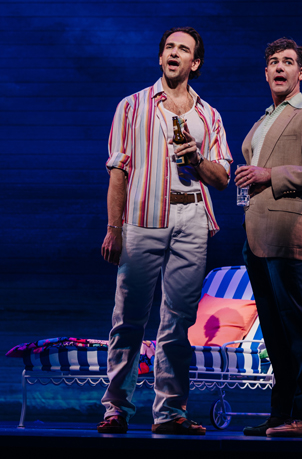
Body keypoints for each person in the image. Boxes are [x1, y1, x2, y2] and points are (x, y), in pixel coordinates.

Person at [98, 27, 232, 435]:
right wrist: (114, 228)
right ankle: (116, 407)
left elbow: (222, 177)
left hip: (192, 220)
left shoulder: (209, 116)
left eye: (183, 49)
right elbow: (118, 171)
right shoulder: (132, 106)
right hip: (142, 218)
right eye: (169, 47)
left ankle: (170, 411)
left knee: (178, 321)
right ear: (160, 58)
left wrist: (197, 159)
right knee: (129, 318)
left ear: (195, 63)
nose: (174, 53)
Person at [235, 37, 302, 438]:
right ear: (265, 73)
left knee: (299, 325)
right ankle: (282, 413)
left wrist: (270, 175)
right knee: (275, 331)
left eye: (288, 62)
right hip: (255, 234)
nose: (280, 67)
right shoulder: (262, 121)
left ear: (301, 72)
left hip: (286, 229)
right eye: (274, 62)